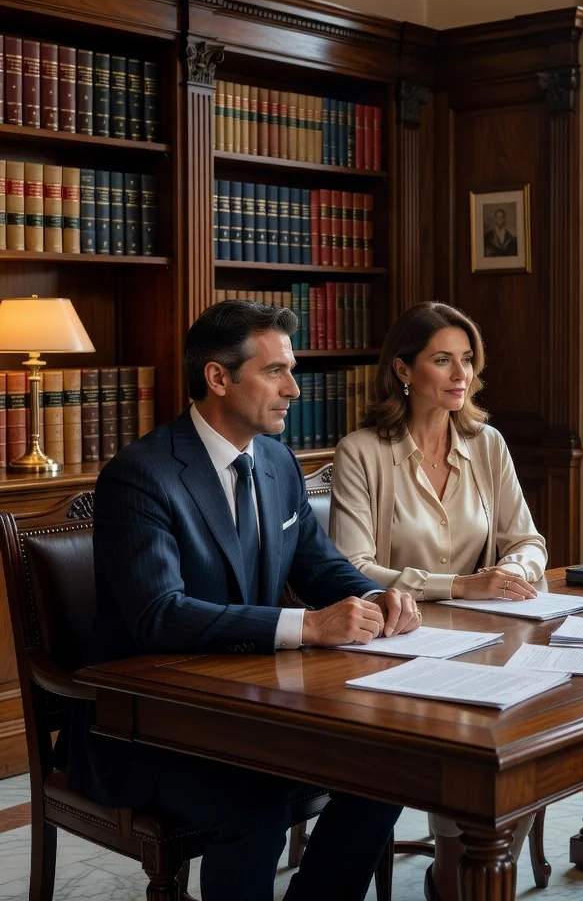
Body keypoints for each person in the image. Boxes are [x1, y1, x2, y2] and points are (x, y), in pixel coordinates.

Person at [68, 300, 421, 901]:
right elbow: (160, 616)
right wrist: (308, 628)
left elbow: (319, 566)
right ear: (217, 377)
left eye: (292, 370)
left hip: (253, 709)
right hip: (149, 727)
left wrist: (376, 595)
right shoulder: (141, 474)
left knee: (388, 776)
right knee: (255, 807)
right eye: (274, 371)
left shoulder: (278, 462)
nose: (294, 389)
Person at [330, 300, 546, 900]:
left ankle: (459, 872)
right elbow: (351, 567)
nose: (461, 375)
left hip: (487, 635)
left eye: (468, 361)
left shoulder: (487, 444)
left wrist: (515, 568)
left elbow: (528, 538)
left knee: (524, 753)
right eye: (442, 360)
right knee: (465, 754)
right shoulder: (362, 452)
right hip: (395, 642)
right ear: (403, 369)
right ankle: (457, 878)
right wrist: (460, 585)